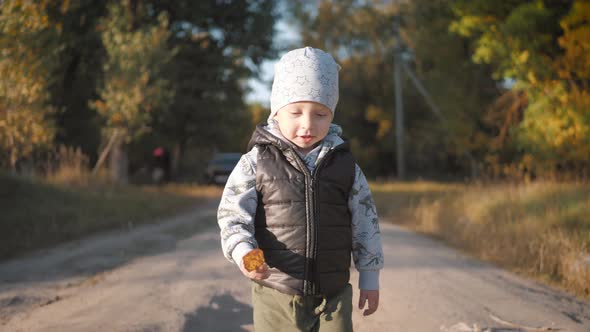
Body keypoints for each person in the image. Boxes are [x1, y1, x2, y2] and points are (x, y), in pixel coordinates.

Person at [218, 46, 384, 331]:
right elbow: (233, 215)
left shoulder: (345, 166)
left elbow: (366, 222)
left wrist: (369, 276)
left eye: (320, 114)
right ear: (276, 111)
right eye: (295, 112)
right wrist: (244, 251)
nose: (307, 124)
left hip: (333, 295)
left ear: (332, 114)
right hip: (276, 292)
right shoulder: (256, 162)